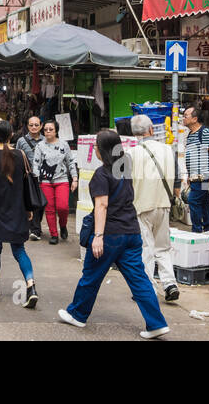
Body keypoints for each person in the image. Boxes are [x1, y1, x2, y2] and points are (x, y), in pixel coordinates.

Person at [58, 130, 170, 338]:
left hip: (110, 235)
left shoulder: (102, 174)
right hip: (131, 232)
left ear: (102, 150)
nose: (94, 150)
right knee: (139, 279)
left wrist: (98, 236)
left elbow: (102, 205)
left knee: (91, 275)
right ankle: (156, 323)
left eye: (96, 147)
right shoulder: (124, 166)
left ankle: (77, 314)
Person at [0, 120, 38, 308]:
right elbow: (26, 186)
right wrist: (29, 210)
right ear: (12, 135)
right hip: (18, 209)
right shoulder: (21, 155)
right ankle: (31, 286)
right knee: (19, 250)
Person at [125, 115, 180, 303]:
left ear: (134, 133)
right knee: (163, 247)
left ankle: (147, 287)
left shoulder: (130, 154)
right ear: (150, 130)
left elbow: (124, 182)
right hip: (163, 203)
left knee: (145, 247)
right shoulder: (167, 150)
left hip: (141, 206)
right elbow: (177, 179)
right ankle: (170, 284)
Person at [32, 120, 77, 244]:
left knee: (63, 207)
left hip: (62, 180)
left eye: (50, 129)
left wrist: (74, 178)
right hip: (45, 181)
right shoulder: (40, 146)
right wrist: (36, 178)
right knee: (49, 209)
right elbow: (36, 164)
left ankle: (63, 225)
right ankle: (54, 234)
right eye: (45, 129)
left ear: (56, 130)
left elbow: (70, 162)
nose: (47, 132)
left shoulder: (64, 144)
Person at [179, 106, 209, 232]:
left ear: (195, 119)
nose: (183, 118)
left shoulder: (205, 132)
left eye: (186, 116)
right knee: (203, 202)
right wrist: (189, 176)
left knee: (193, 201)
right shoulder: (190, 134)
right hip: (195, 177)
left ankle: (197, 231)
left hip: (204, 176)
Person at [15, 115, 45, 240]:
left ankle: (35, 227)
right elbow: (16, 157)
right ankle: (35, 229)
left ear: (41, 126)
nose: (33, 127)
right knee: (32, 201)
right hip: (28, 176)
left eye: (36, 125)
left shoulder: (46, 140)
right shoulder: (21, 141)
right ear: (27, 126)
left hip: (44, 176)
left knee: (42, 203)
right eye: (31, 125)